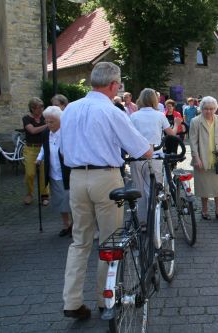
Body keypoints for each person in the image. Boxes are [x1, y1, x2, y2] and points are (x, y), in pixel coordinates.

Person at [60, 62, 152, 320]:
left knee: (80, 241)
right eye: (118, 85)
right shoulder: (111, 111)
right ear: (113, 85)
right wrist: (149, 147)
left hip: (77, 177)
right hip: (105, 177)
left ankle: (72, 300)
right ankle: (105, 298)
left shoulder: (70, 110)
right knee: (110, 240)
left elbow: (64, 150)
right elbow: (141, 149)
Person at [131, 88, 179, 225]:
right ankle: (154, 220)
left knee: (138, 189)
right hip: (155, 156)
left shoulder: (134, 116)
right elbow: (171, 134)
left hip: (137, 156)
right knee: (153, 189)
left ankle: (142, 221)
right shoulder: (159, 116)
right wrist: (176, 125)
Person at [189, 96, 218, 222]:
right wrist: (196, 158)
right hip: (202, 159)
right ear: (201, 109)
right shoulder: (195, 121)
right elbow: (193, 142)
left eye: (211, 109)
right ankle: (204, 210)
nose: (209, 111)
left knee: (217, 187)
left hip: (216, 160)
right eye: (206, 109)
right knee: (203, 187)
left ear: (215, 109)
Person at [35, 106, 72, 237]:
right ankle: (66, 224)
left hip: (66, 171)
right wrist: (39, 159)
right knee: (59, 200)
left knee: (70, 199)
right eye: (46, 121)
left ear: (60, 120)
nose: (48, 124)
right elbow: (44, 148)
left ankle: (75, 225)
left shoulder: (67, 132)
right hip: (53, 171)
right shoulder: (46, 133)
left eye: (51, 121)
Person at [22, 97, 49, 205]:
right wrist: (47, 125)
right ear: (32, 108)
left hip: (43, 148)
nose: (41, 109)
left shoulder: (45, 116)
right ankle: (29, 193)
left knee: (44, 173)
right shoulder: (26, 118)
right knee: (30, 173)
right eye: (39, 107)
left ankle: (44, 196)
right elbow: (32, 130)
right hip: (30, 149)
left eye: (42, 107)